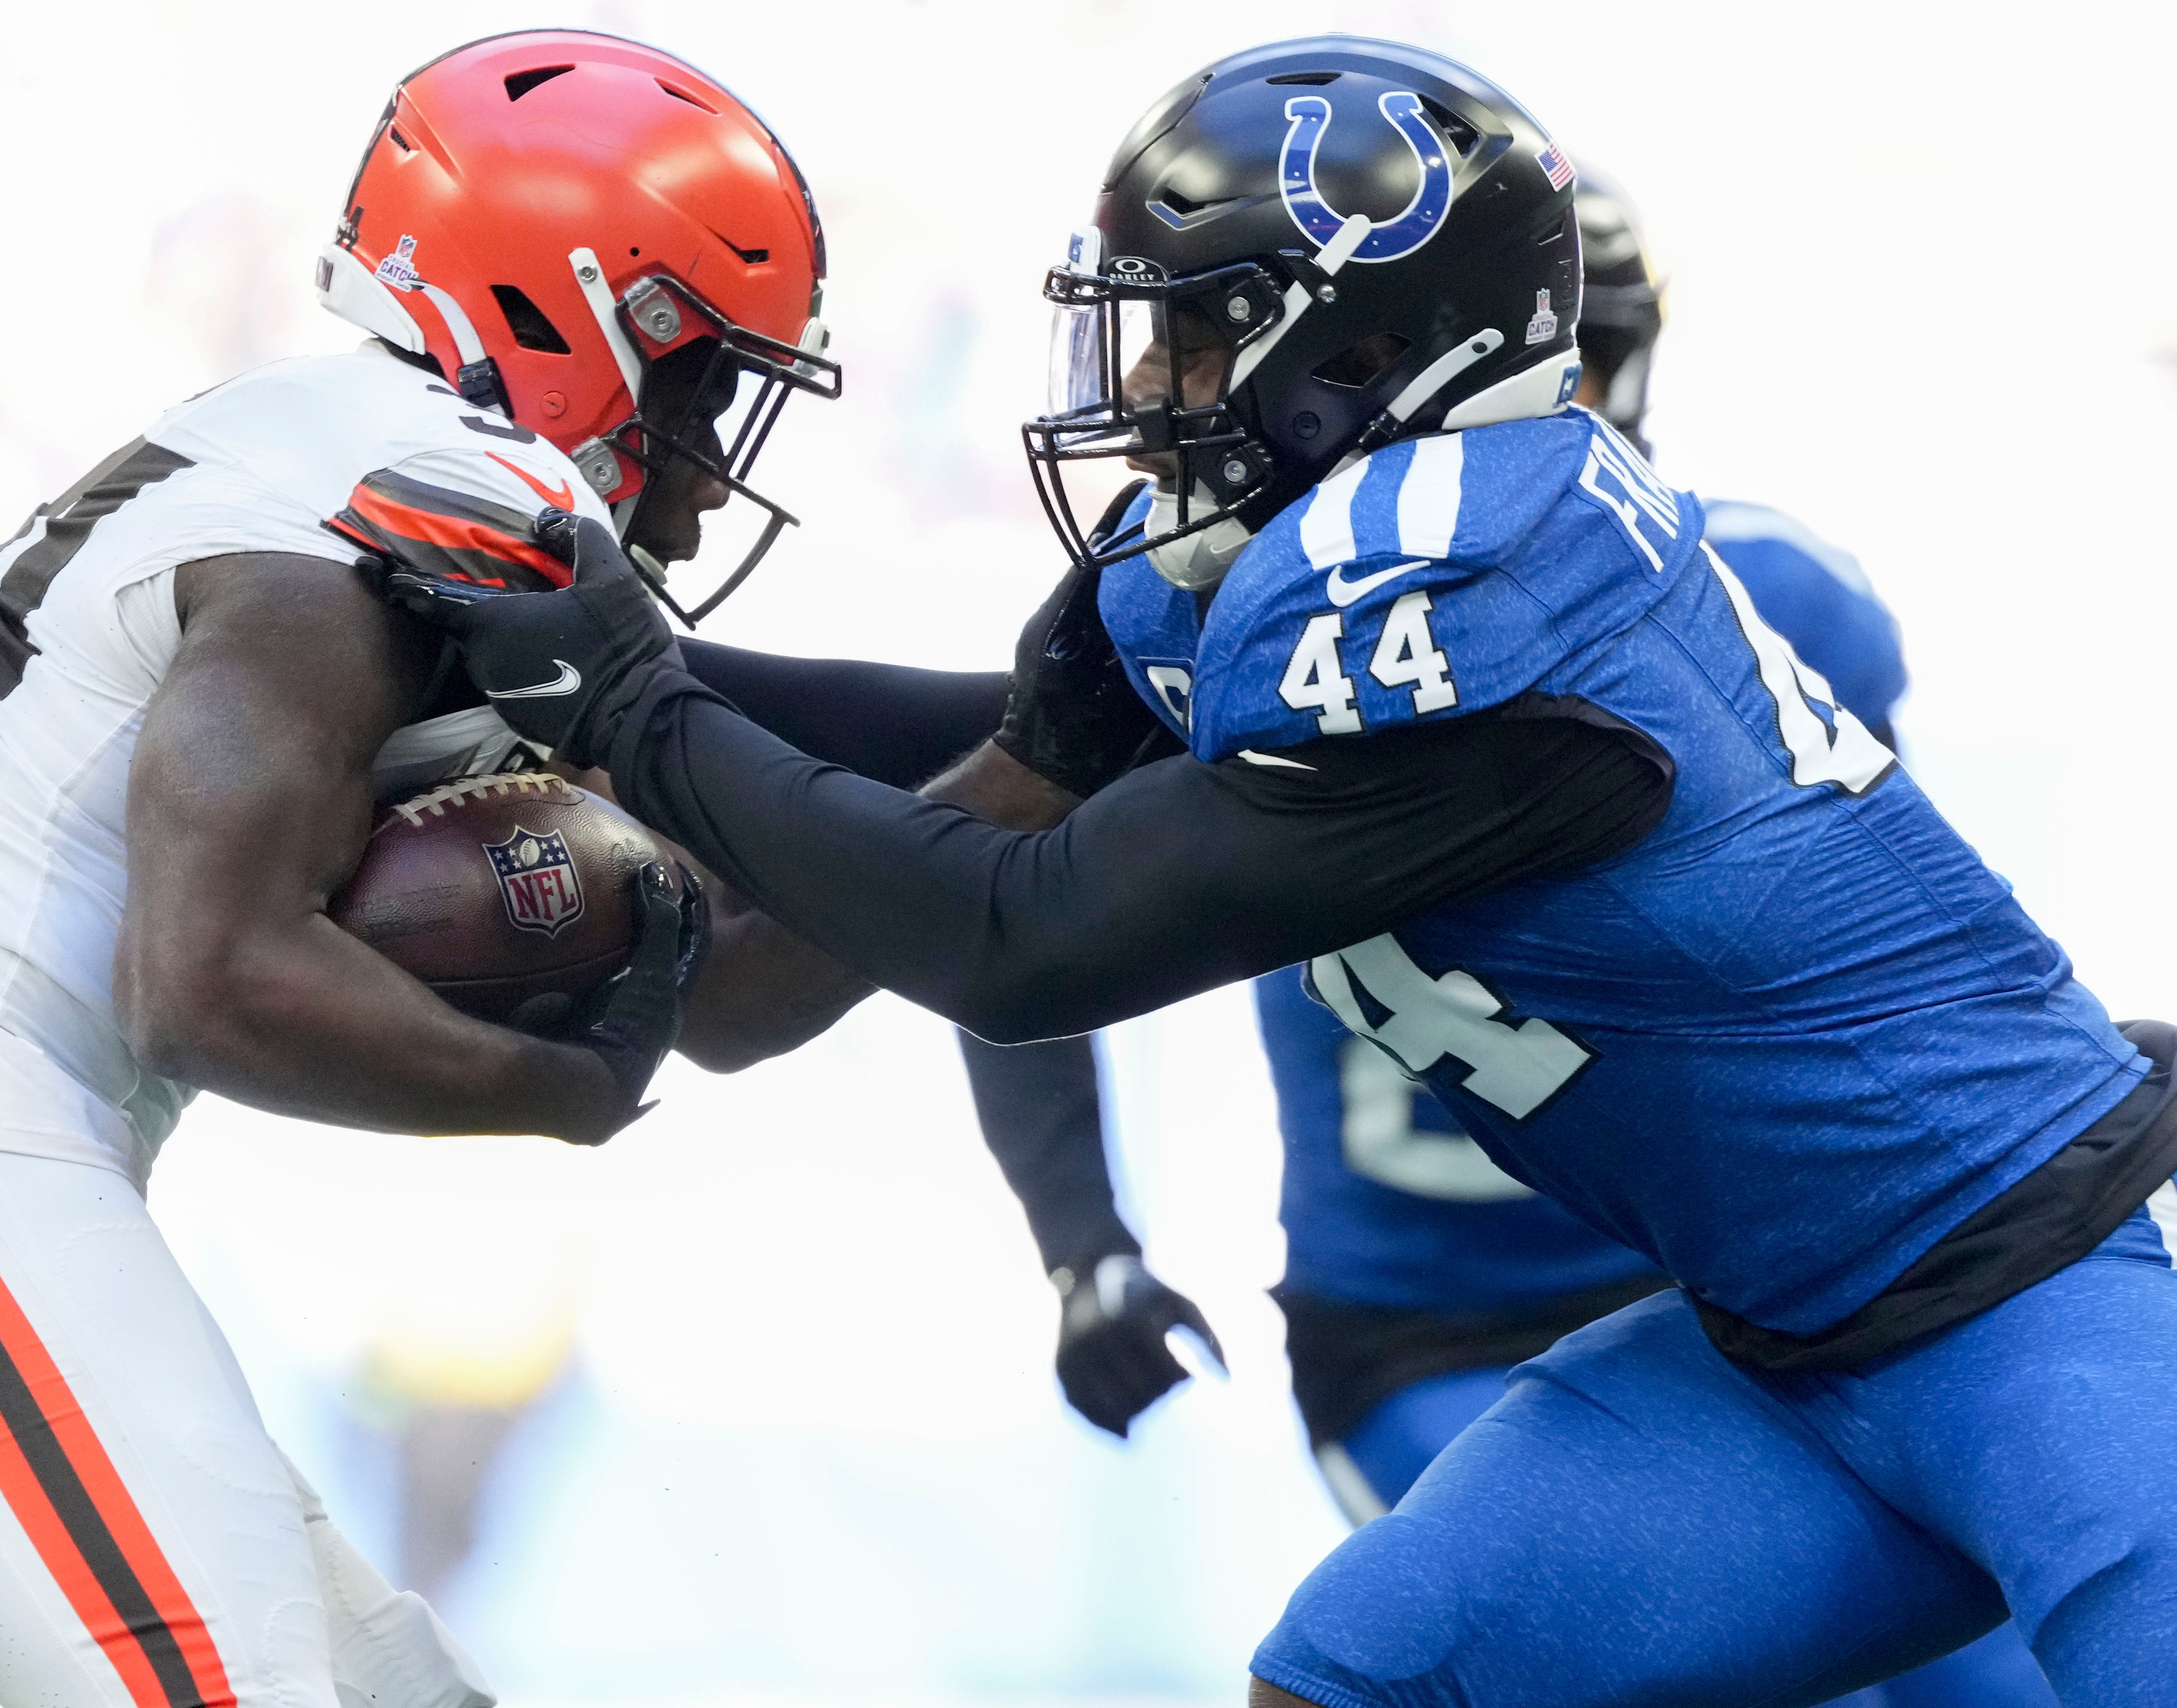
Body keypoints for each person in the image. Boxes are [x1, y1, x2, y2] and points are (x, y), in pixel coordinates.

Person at [401, 35, 2177, 1704]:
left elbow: (1020, 936)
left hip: (2040, 1302)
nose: (1145, 389)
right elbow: (977, 801)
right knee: (1362, 1670)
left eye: (1192, 340)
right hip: (1769, 1344)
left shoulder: (1487, 615)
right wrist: (578, 677)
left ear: (1357, 363)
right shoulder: (1260, 571)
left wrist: (633, 699)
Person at [0, 31, 890, 1707]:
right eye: (705, 377)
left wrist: (1058, 750)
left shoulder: (304, 440)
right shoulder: (434, 498)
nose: (712, 454)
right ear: (580, 312)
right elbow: (210, 979)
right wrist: (558, 1085)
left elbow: (734, 942)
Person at [959, 171, 2054, 1705]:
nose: (1560, 405)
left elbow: (1902, 984)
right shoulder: (1259, 630)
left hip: (1740, 1299)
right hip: (1432, 1328)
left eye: (1586, 361)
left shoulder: (1760, 599)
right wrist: (1086, 1247)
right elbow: (1003, 907)